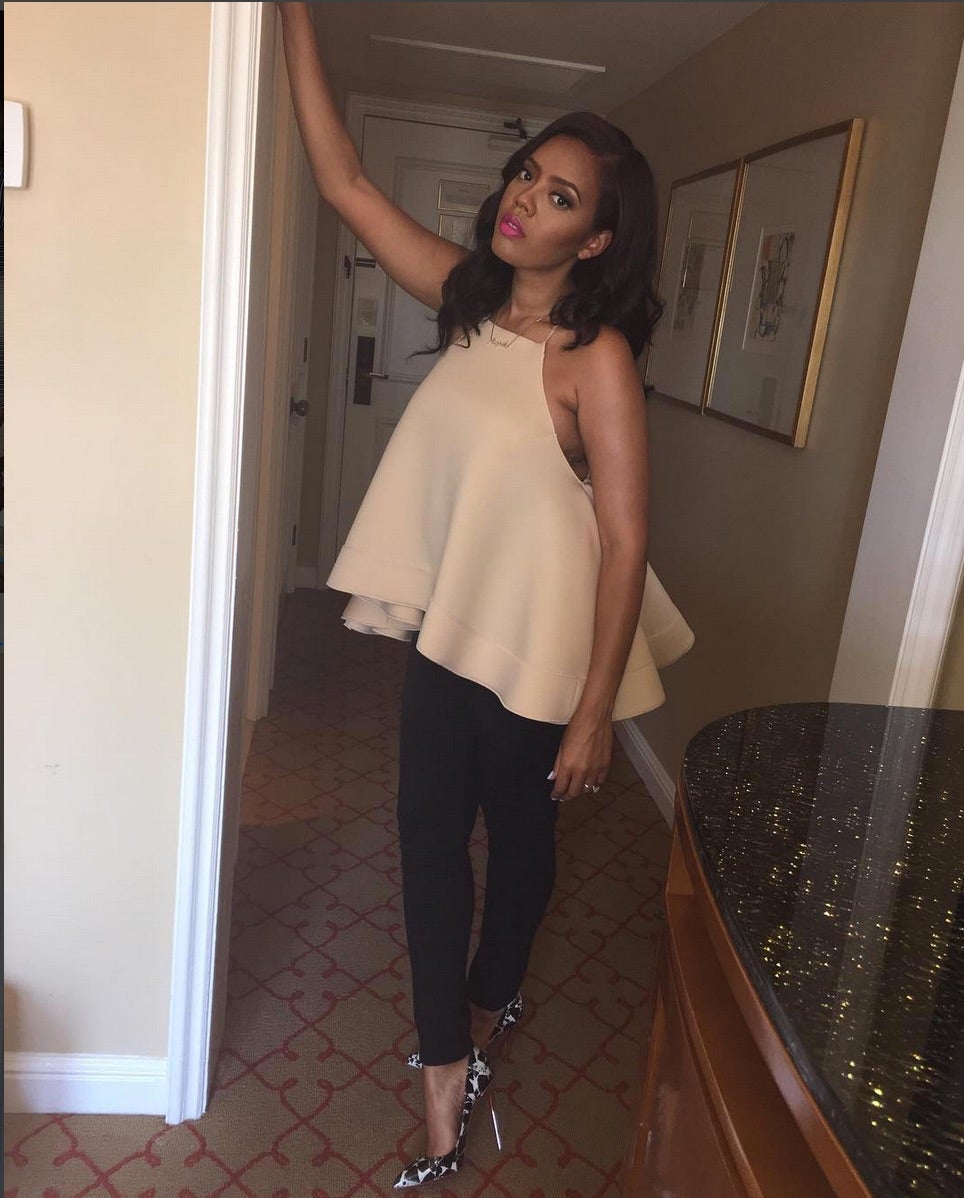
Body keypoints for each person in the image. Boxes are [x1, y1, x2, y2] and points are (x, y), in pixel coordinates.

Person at [277, 3, 693, 1188]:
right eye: (525, 176)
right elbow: (345, 181)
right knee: (424, 841)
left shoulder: (593, 359)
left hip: (542, 648)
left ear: (597, 238)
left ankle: (496, 982)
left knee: (519, 842)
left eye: (559, 196)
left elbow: (625, 538)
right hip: (447, 634)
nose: (524, 200)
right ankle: (442, 1062)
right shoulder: (467, 298)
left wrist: (594, 710)